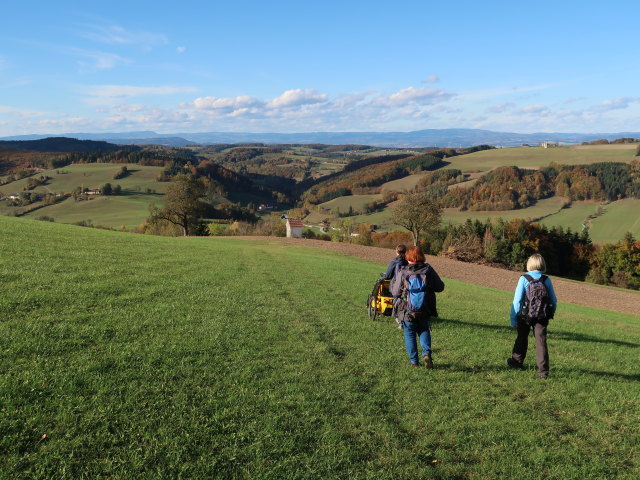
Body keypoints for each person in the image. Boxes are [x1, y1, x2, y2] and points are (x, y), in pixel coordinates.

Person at [392, 246, 445, 368]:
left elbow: (395, 292)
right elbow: (440, 287)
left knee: (410, 334)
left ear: (408, 257)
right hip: (425, 308)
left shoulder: (403, 270)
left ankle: (414, 362)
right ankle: (426, 354)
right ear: (422, 256)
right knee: (424, 330)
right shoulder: (428, 269)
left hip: (407, 310)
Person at [507, 253, 558, 379]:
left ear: (529, 264)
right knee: (541, 342)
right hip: (542, 316)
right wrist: (550, 313)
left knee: (522, 337)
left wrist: (513, 318)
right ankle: (543, 372)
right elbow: (554, 300)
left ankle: (517, 362)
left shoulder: (524, 278)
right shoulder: (547, 280)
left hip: (525, 316)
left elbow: (517, 301)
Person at [383, 244, 408, 329]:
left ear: (397, 252)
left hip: (396, 286)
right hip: (406, 286)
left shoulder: (394, 262)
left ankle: (401, 323)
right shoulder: (408, 262)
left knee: (396, 304)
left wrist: (384, 276)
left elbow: (388, 276)